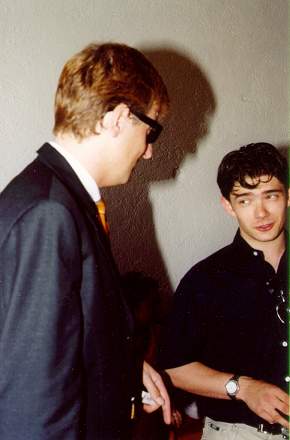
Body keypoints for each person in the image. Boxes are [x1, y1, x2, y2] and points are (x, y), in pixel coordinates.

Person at [0, 42, 171, 440]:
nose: (148, 152)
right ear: (119, 118)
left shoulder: (53, 194)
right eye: (151, 132)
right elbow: (33, 400)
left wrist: (123, 365)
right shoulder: (49, 213)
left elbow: (63, 334)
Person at [159, 143, 289, 439]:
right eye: (245, 200)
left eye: (271, 196)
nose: (261, 212)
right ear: (228, 206)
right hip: (237, 432)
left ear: (289, 196)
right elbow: (174, 368)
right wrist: (244, 389)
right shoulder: (206, 279)